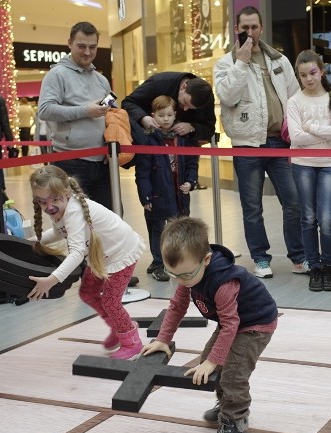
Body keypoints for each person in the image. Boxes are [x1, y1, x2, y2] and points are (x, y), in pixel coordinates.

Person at [140, 217, 277, 433]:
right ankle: (226, 404)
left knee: (232, 373)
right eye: (173, 275)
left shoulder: (223, 283)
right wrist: (162, 339)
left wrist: (214, 361)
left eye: (184, 275)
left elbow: (231, 324)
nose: (180, 281)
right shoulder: (188, 272)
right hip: (231, 322)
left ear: (205, 260)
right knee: (210, 364)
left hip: (255, 324)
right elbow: (176, 307)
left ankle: (235, 421)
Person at [214, 5, 307, 279]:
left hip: (279, 142)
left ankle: (299, 257)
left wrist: (295, 131)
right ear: (236, 29)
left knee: (293, 202)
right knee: (252, 206)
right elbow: (228, 96)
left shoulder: (279, 60)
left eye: (255, 27)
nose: (250, 33)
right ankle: (260, 258)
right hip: (246, 144)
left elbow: (294, 97)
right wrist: (241, 62)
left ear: (262, 28)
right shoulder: (226, 63)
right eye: (245, 28)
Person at [27, 165, 147, 359]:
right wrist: (33, 241)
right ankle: (119, 327)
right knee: (88, 292)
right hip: (101, 255)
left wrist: (52, 279)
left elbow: (76, 252)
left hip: (120, 253)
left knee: (110, 301)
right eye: (42, 202)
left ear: (66, 193)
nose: (49, 207)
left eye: (55, 199)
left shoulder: (73, 211)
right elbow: (60, 232)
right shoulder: (62, 208)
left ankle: (132, 341)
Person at [286, 50, 331, 292]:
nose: (309, 78)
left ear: (321, 71)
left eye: (313, 72)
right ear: (298, 77)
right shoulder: (294, 102)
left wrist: (311, 127)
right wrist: (326, 131)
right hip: (302, 163)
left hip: (330, 164)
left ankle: (328, 267)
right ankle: (314, 267)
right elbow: (295, 137)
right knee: (308, 217)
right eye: (303, 75)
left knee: (327, 218)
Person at [38, 22, 113, 209]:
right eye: (81, 46)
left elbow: (112, 111)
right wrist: (85, 110)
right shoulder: (56, 75)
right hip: (69, 161)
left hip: (103, 163)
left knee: (107, 221)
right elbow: (45, 110)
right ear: (69, 43)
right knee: (75, 222)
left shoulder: (101, 80)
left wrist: (111, 140)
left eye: (92, 47)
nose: (87, 52)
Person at [135, 96, 199, 282]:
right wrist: (145, 197)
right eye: (161, 115)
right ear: (153, 116)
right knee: (158, 228)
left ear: (175, 115)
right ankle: (158, 262)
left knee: (181, 226)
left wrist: (191, 181)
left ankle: (180, 261)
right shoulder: (148, 140)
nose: (166, 119)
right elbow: (143, 172)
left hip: (179, 192)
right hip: (157, 194)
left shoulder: (183, 138)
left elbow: (192, 163)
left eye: (170, 115)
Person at [121, 71, 216, 143]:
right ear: (183, 87)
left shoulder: (206, 97)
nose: (185, 109)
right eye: (185, 102)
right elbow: (128, 103)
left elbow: (209, 129)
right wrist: (143, 118)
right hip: (151, 145)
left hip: (184, 152)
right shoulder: (159, 82)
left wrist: (192, 127)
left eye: (191, 108)